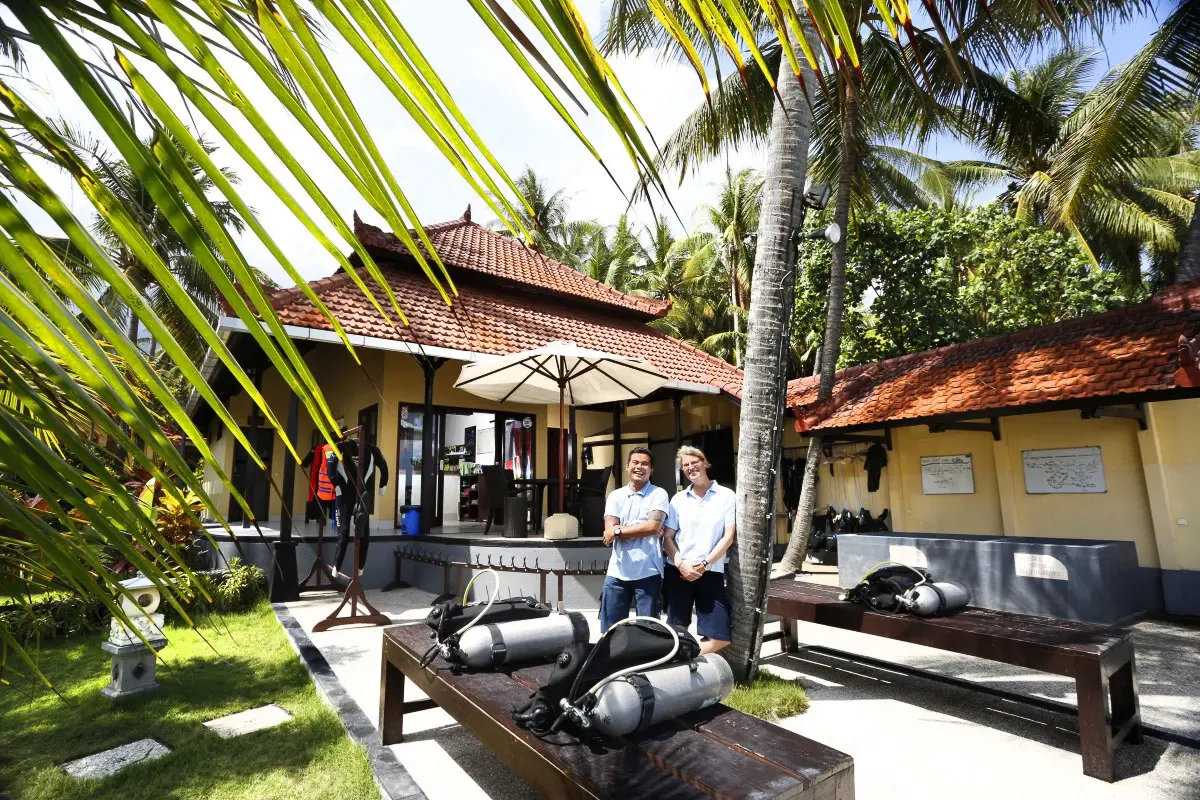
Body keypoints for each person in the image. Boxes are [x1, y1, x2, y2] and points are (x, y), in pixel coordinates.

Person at [664, 446, 736, 654]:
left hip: (710, 571)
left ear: (704, 463)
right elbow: (667, 538)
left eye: (694, 463)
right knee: (677, 632)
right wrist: (681, 564)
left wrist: (705, 564)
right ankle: (680, 672)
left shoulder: (725, 495)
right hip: (679, 571)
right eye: (685, 465)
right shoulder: (677, 499)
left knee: (719, 638)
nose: (690, 468)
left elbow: (728, 536)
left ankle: (681, 658)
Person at [600, 447, 673, 632]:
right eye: (635, 462)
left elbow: (653, 527)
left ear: (651, 470)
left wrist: (619, 531)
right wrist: (642, 529)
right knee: (610, 630)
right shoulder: (615, 496)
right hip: (616, 572)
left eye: (645, 464)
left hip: (648, 571)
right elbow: (608, 532)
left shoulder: (659, 494)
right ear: (627, 467)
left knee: (648, 630)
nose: (640, 467)